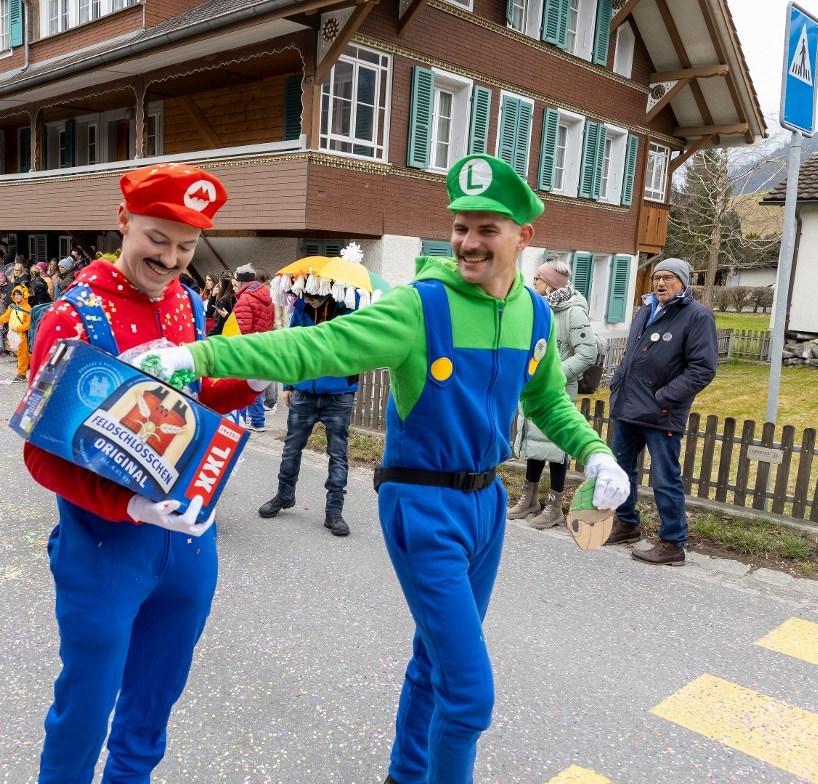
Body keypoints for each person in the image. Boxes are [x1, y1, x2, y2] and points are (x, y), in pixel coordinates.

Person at [138, 153, 630, 784]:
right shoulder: (417, 308)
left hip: (486, 508)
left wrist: (594, 451)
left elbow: (546, 400)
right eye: (460, 226)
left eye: (486, 228)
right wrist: (198, 354)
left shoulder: (535, 314)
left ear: (523, 236)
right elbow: (314, 345)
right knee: (470, 696)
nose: (468, 242)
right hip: (423, 506)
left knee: (435, 663)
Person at [23, 163, 262, 784]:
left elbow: (196, 399)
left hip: (187, 540)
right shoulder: (73, 316)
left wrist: (250, 383)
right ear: (124, 222)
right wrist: (128, 508)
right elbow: (41, 451)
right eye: (159, 238)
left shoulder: (186, 304)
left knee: (155, 700)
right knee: (87, 706)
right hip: (103, 545)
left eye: (186, 247)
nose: (172, 258)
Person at [604, 257, 718, 566]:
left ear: (683, 282)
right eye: (657, 278)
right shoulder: (645, 310)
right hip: (629, 406)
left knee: (665, 478)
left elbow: (702, 369)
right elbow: (632, 355)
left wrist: (664, 397)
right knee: (621, 470)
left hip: (661, 411)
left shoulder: (696, 316)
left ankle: (672, 542)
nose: (661, 283)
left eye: (668, 278)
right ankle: (627, 523)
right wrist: (618, 384)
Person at [257, 290, 358, 536]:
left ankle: (334, 512)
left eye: (313, 295)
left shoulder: (349, 311)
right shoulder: (301, 310)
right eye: (305, 294)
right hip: (304, 393)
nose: (308, 299)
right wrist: (289, 385)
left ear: (327, 292)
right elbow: (293, 348)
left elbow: (357, 349)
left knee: (338, 454)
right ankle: (285, 495)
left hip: (339, 393)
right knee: (291, 448)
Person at [508, 257, 599, 529]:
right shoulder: (541, 308)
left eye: (537, 279)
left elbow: (587, 353)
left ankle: (555, 505)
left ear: (549, 284)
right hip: (536, 387)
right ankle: (529, 498)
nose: (533, 282)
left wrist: (554, 373)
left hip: (557, 390)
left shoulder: (573, 311)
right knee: (535, 445)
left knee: (558, 448)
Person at [231, 265, 275, 431]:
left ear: (241, 281)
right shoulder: (266, 296)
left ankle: (241, 422)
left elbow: (242, 329)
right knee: (255, 384)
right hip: (262, 343)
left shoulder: (245, 299)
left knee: (244, 385)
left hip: (247, 347)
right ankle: (257, 420)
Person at [0, 285, 31, 382]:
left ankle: (21, 374)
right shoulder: (12, 306)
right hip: (12, 334)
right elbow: (6, 316)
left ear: (24, 295)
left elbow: (28, 324)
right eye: (15, 294)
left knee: (22, 354)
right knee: (22, 354)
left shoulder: (27, 308)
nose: (16, 296)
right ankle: (37, 363)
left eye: (19, 294)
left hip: (21, 335)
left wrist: (19, 329)